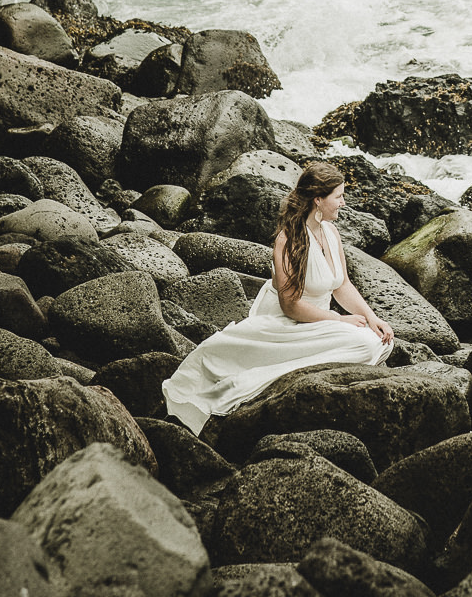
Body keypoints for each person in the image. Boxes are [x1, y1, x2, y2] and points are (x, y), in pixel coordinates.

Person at [162, 161, 394, 433]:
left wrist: (372, 318)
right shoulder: (289, 240)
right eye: (339, 196)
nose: (343, 202)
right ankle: (279, 374)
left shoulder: (330, 232)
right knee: (365, 345)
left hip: (321, 321)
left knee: (382, 340)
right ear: (318, 200)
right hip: (286, 323)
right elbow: (291, 306)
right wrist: (339, 320)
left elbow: (342, 285)